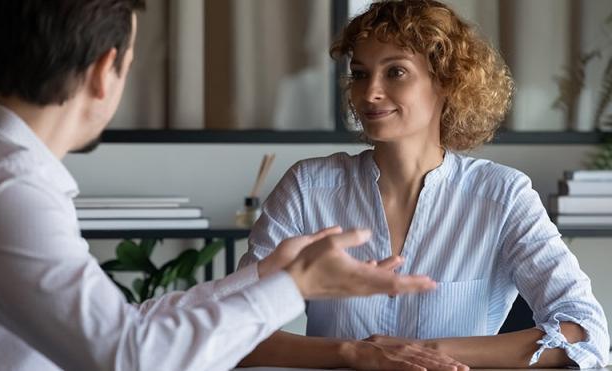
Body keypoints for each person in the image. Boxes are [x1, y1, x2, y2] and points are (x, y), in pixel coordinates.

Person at [0, 1, 471, 370]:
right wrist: (294, 287)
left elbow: (122, 325)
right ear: (107, 71)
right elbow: (131, 357)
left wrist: (264, 277)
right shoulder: (7, 190)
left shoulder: (0, 173)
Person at [239, 0, 610, 369]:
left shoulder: (503, 196)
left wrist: (429, 350)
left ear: (447, 82)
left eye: (395, 72)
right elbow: (236, 328)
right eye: (360, 73)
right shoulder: (307, 188)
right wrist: (354, 353)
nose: (370, 93)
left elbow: (586, 331)